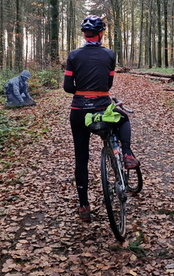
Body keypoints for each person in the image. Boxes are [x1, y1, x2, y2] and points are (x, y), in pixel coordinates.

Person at [63, 15, 139, 222]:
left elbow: (68, 87)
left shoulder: (73, 55)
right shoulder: (110, 54)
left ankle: (84, 206)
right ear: (101, 33)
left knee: (81, 157)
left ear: (84, 35)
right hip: (102, 107)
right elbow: (109, 84)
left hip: (79, 110)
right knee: (122, 118)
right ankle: (126, 153)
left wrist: (83, 90)